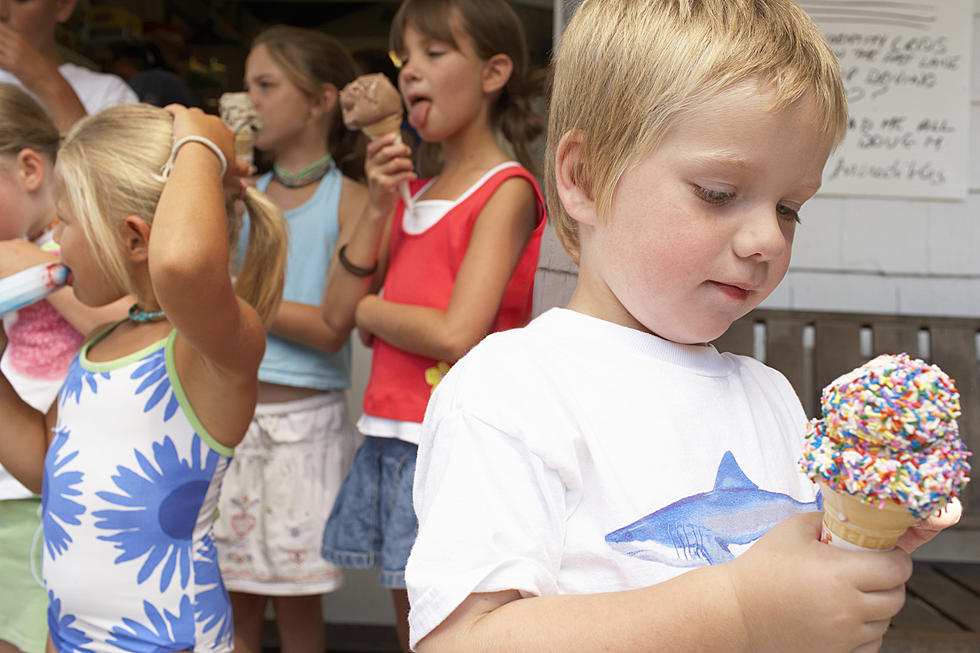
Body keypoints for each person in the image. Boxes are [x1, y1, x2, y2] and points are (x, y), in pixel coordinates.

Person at [403, 1, 963, 652]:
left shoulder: (771, 397)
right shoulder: (508, 391)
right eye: (718, 193)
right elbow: (461, 640)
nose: (765, 239)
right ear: (583, 177)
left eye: (788, 208)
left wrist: (858, 552)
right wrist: (739, 611)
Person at [0, 103, 287, 652]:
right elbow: (49, 469)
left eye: (66, 221)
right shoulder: (99, 348)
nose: (53, 237)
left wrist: (199, 140)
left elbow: (181, 266)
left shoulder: (209, 351)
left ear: (135, 239)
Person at [319, 0, 547, 650]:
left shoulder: (506, 189)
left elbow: (455, 332)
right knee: (409, 623)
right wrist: (377, 205)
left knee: (452, 628)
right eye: (403, 59)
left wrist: (371, 309)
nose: (410, 74)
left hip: (459, 440)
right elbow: (335, 312)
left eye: (434, 54)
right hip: (391, 435)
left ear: (494, 71)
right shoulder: (409, 192)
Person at [211, 25, 367, 653]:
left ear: (321, 98)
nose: (248, 101)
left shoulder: (352, 199)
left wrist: (233, 294)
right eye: (246, 86)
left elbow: (332, 329)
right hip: (227, 416)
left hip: (305, 426)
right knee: (232, 605)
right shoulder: (236, 198)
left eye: (266, 86)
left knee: (299, 610)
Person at [0, 83, 131, 653]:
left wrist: (39, 268)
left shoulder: (73, 245)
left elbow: (135, 323)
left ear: (30, 168)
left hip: (54, 482)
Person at [0, 0, 136, 132]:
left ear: (63, 5)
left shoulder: (108, 94)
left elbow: (100, 154)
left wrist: (46, 82)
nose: (2, 10)